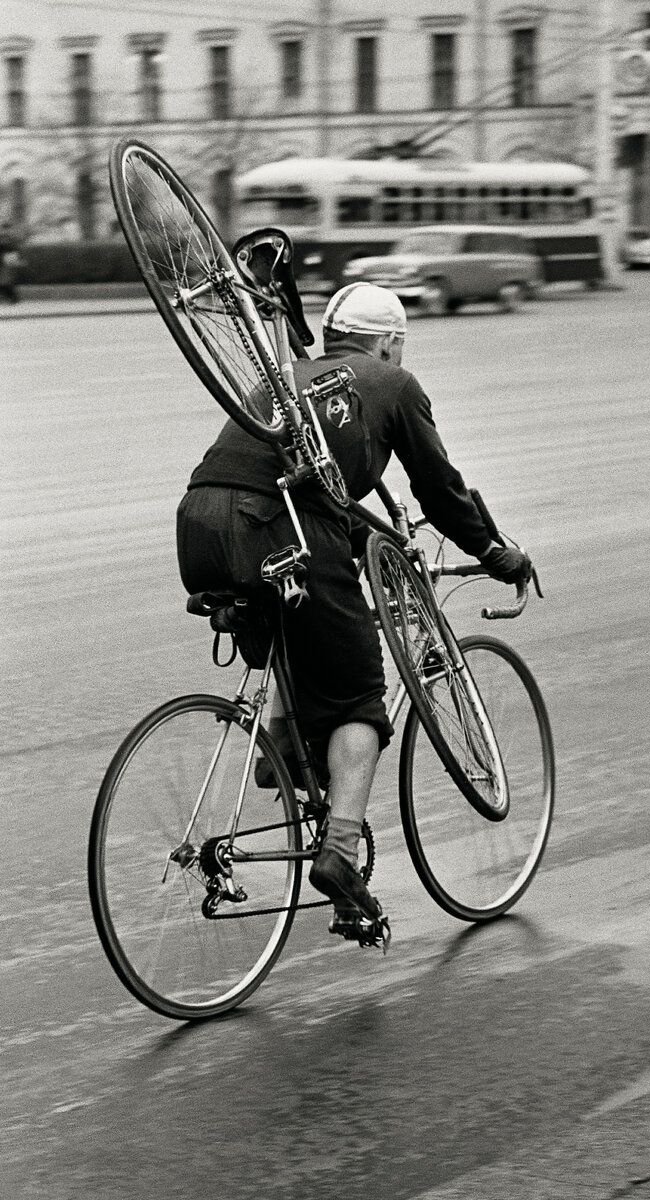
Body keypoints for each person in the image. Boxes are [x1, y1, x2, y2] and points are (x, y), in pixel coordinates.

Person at [176, 282, 530, 934]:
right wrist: (496, 552)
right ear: (389, 342)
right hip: (278, 527)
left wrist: (366, 534)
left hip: (201, 523)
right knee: (360, 695)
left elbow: (311, 490)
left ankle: (282, 751)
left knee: (301, 628)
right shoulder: (393, 384)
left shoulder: (286, 377)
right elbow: (440, 491)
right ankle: (339, 851)